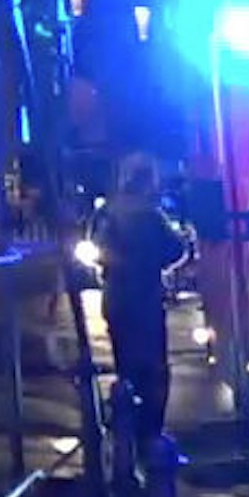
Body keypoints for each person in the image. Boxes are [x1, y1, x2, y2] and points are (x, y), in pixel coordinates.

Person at [94, 154, 187, 440]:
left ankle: (126, 423)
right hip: (145, 298)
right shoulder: (151, 215)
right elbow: (176, 250)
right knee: (153, 367)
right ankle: (150, 431)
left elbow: (96, 248)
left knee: (125, 362)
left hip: (116, 298)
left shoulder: (109, 211)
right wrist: (152, 262)